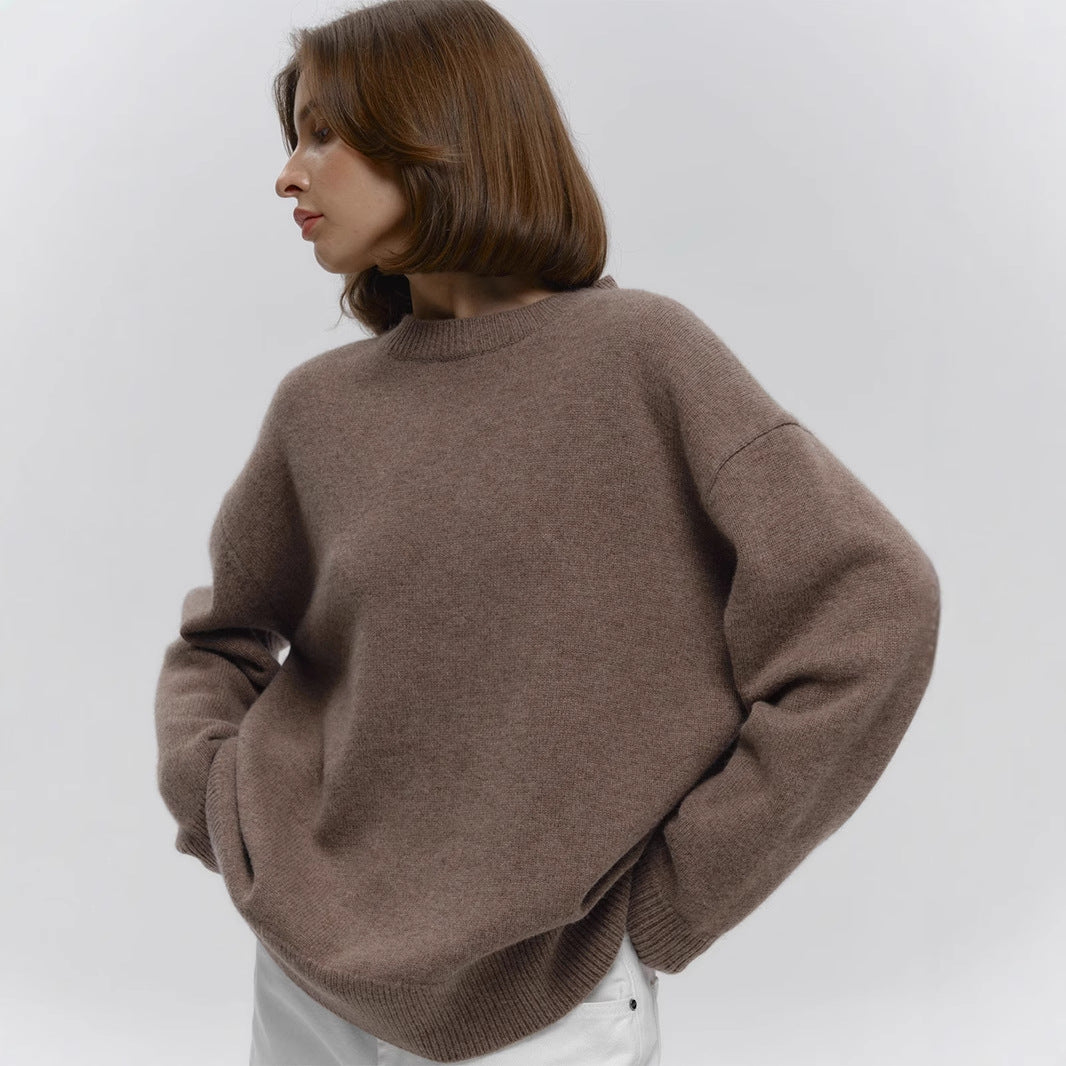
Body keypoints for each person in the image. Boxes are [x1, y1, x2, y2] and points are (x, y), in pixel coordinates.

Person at [153, 1, 942, 1064]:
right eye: (292, 139)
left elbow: (874, 604)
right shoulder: (319, 408)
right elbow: (222, 640)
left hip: (548, 999)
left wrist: (675, 900)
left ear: (442, 130)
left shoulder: (641, 356)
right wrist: (220, 800)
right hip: (305, 984)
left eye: (325, 135)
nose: (289, 175)